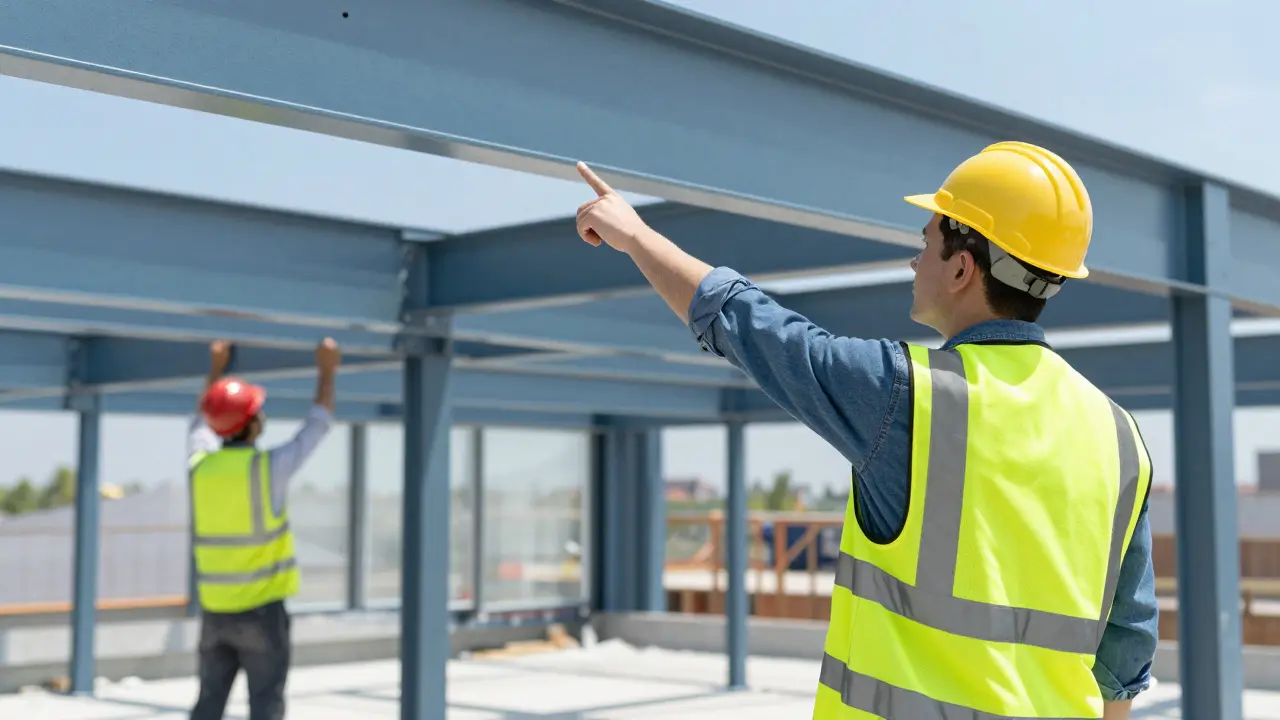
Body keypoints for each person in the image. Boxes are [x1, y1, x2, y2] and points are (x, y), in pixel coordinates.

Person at [573, 142, 1157, 720]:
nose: (914, 262)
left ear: (961, 268)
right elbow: (1125, 652)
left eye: (925, 243)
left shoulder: (909, 395)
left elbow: (754, 329)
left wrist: (636, 237)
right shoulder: (1119, 435)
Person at [187, 338, 340, 720]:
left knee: (208, 704)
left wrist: (216, 368)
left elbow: (202, 420)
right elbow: (317, 424)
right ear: (252, 425)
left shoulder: (199, 466)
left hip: (215, 613)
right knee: (266, 706)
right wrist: (327, 369)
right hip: (260, 614)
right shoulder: (268, 469)